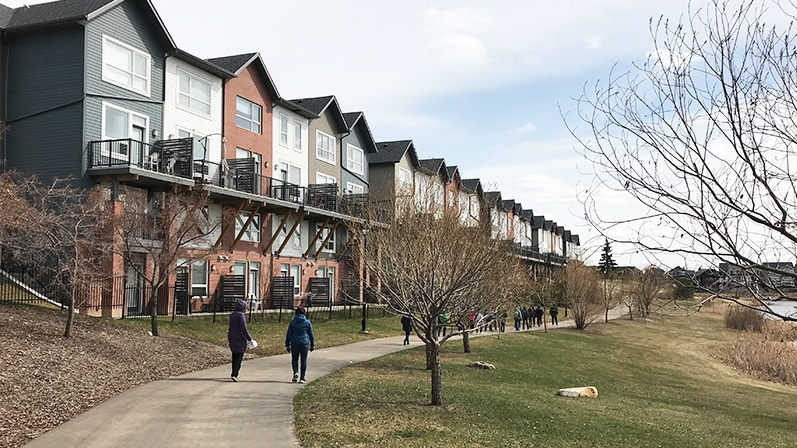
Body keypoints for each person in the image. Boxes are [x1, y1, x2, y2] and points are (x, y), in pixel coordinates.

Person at [285, 306, 315, 383]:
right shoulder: (307, 322)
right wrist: (312, 344)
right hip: (304, 342)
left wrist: (287, 344)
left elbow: (289, 334)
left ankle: (295, 372)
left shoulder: (292, 322)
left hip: (294, 342)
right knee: (303, 360)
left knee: (295, 359)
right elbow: (311, 334)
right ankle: (302, 378)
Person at [227, 299, 253, 382]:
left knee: (234, 355)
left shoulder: (232, 314)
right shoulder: (241, 315)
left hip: (232, 336)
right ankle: (235, 374)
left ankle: (233, 372)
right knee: (239, 355)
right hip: (239, 338)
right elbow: (243, 328)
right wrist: (250, 339)